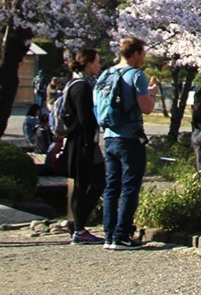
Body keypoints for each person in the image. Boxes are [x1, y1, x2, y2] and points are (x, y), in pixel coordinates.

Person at [99, 36, 155, 251]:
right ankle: (121, 236)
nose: (143, 58)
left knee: (111, 186)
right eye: (142, 54)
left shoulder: (107, 73)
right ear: (135, 54)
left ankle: (109, 234)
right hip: (129, 137)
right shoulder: (136, 76)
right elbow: (146, 107)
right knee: (130, 186)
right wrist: (152, 95)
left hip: (109, 135)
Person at [60, 46, 105, 245]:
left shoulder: (75, 84)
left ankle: (77, 225)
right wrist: (89, 143)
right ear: (87, 64)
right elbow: (85, 118)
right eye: (96, 61)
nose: (99, 65)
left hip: (80, 142)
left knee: (85, 184)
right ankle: (78, 226)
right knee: (91, 183)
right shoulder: (82, 87)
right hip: (83, 144)